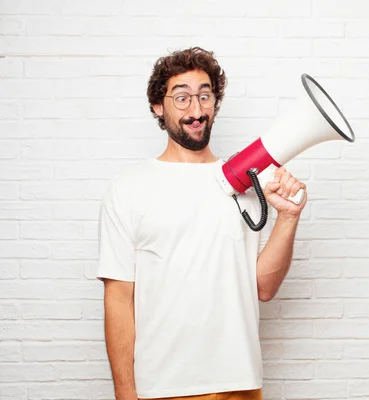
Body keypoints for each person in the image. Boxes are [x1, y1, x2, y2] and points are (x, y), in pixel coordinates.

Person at [96, 47, 307, 400]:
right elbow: (118, 299)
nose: (196, 111)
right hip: (162, 387)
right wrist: (125, 394)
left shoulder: (244, 184)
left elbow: (263, 288)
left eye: (204, 96)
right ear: (157, 107)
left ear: (215, 103)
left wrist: (287, 217)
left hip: (241, 384)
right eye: (181, 98)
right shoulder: (128, 188)